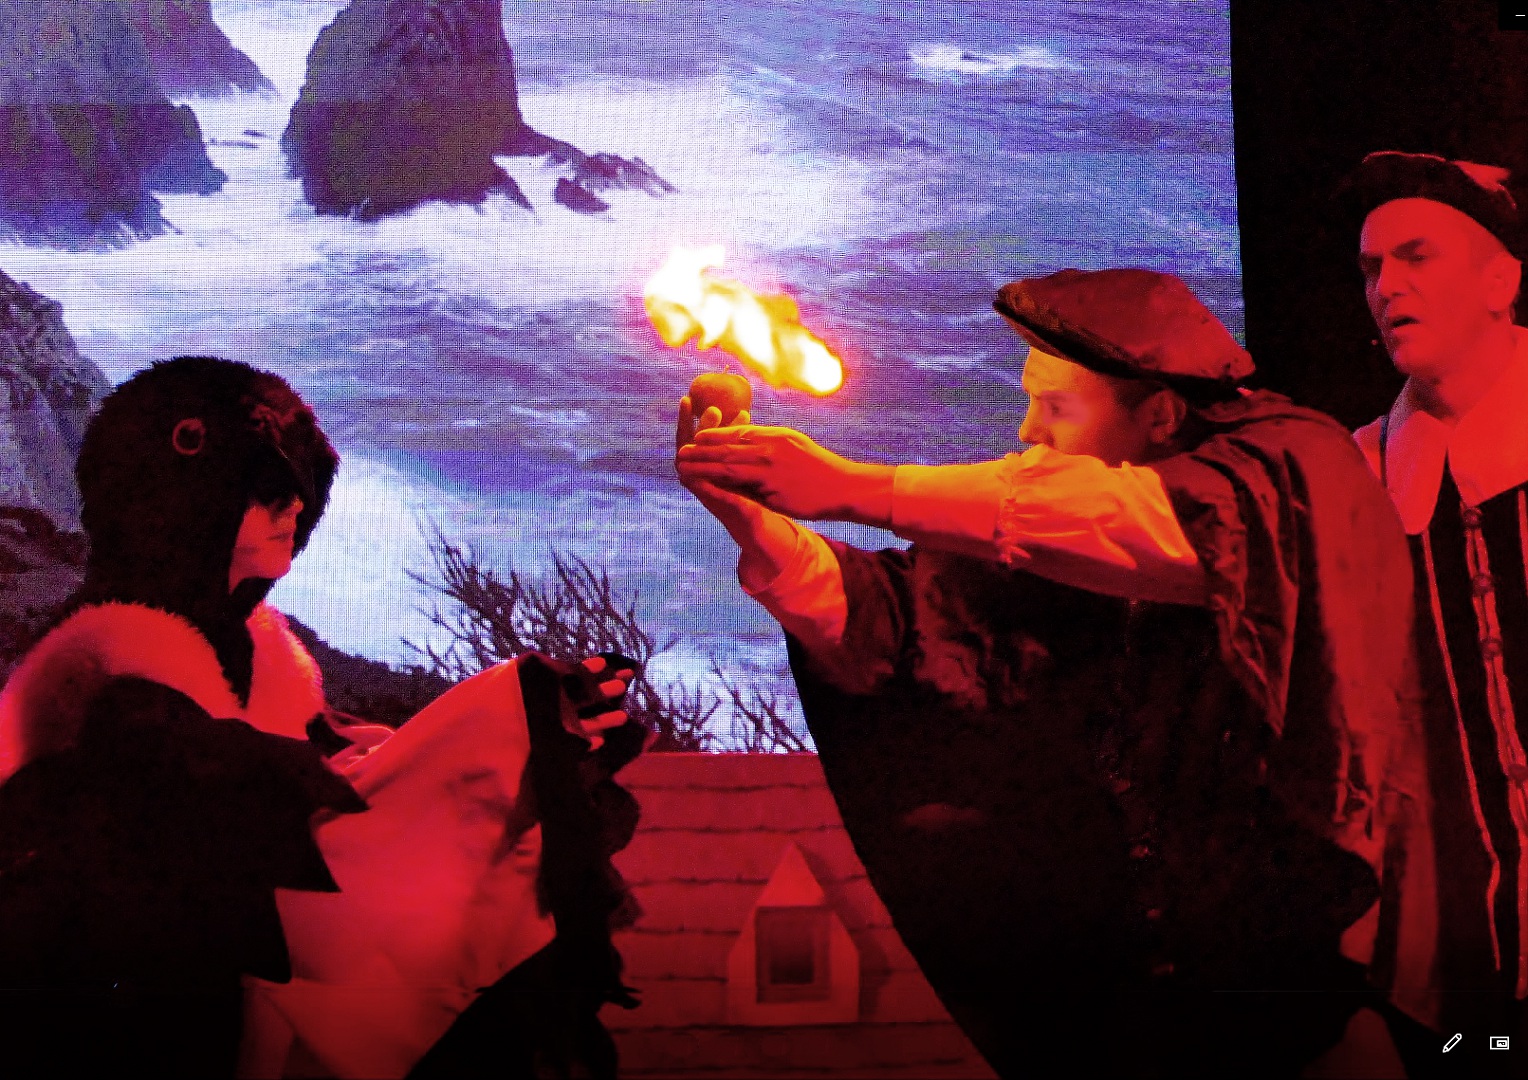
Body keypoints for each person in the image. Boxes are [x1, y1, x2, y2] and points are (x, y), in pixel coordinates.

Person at [675, 268, 1420, 1078]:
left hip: (1297, 1030)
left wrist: (852, 487)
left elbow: (1176, 528)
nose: (1029, 431)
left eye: (1056, 407)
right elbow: (895, 622)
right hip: (1123, 1026)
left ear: (1160, 414)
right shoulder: (1051, 530)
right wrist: (758, 525)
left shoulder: (1292, 465)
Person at [0, 356, 643, 1079]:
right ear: (182, 507)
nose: (293, 512)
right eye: (265, 493)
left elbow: (293, 761)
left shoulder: (247, 652)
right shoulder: (108, 680)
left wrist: (512, 737)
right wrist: (493, 729)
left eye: (300, 493)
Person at [1344, 150, 1528, 1076]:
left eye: (1416, 257)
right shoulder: (1357, 472)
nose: (1387, 288)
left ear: (1502, 281)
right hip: (1452, 966)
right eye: (1372, 268)